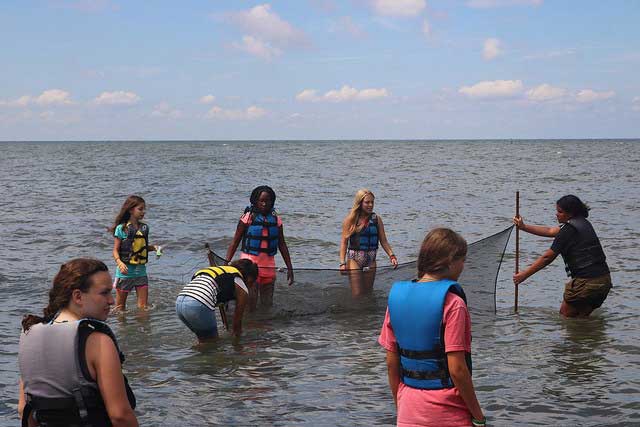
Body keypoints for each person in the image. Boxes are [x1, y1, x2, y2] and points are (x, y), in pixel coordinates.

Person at [378, 228, 485, 427]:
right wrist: (479, 417)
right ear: (450, 261)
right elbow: (458, 369)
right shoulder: (453, 303)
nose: (463, 266)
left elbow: (391, 362)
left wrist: (400, 401)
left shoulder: (396, 299)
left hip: (408, 409)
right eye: (462, 261)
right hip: (447, 412)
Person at [18, 258, 138, 427]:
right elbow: (120, 416)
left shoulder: (29, 334)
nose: (111, 301)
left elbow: (24, 410)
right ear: (78, 296)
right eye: (104, 293)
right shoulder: (98, 342)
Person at [513, 194, 612, 317]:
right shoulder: (583, 223)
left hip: (587, 283)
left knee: (565, 317)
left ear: (570, 213)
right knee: (581, 320)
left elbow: (547, 258)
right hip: (603, 281)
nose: (556, 214)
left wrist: (523, 275)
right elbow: (550, 231)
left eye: (560, 211)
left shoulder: (568, 230)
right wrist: (524, 227)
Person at [226, 186, 294, 309]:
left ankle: (265, 327)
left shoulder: (276, 220)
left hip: (268, 268)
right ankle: (251, 326)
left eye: (267, 201)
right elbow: (235, 242)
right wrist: (226, 264)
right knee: (250, 303)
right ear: (255, 201)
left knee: (267, 305)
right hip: (249, 268)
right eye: (261, 201)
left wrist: (290, 267)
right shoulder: (247, 218)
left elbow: (282, 245)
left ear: (272, 202)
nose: (264, 204)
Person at [176, 259, 258, 342]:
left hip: (180, 302)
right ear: (249, 277)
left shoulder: (221, 272)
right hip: (199, 302)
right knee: (212, 344)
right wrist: (238, 344)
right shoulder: (240, 284)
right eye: (252, 282)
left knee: (204, 341)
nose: (251, 285)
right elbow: (237, 322)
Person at [339, 189, 398, 297]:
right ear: (360, 203)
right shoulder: (350, 220)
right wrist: (342, 263)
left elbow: (383, 241)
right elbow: (344, 243)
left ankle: (368, 313)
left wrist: (392, 255)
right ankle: (357, 312)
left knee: (368, 293)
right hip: (354, 260)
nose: (370, 205)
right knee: (357, 294)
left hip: (371, 260)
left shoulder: (377, 219)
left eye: (372, 202)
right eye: (367, 202)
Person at [110, 195, 159, 311]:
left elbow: (141, 247)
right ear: (131, 210)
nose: (143, 212)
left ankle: (143, 328)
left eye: (144, 209)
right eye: (140, 209)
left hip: (141, 273)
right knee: (120, 309)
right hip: (125, 273)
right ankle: (122, 328)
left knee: (144, 308)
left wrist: (155, 248)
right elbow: (115, 250)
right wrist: (120, 263)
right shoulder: (121, 229)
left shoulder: (144, 228)